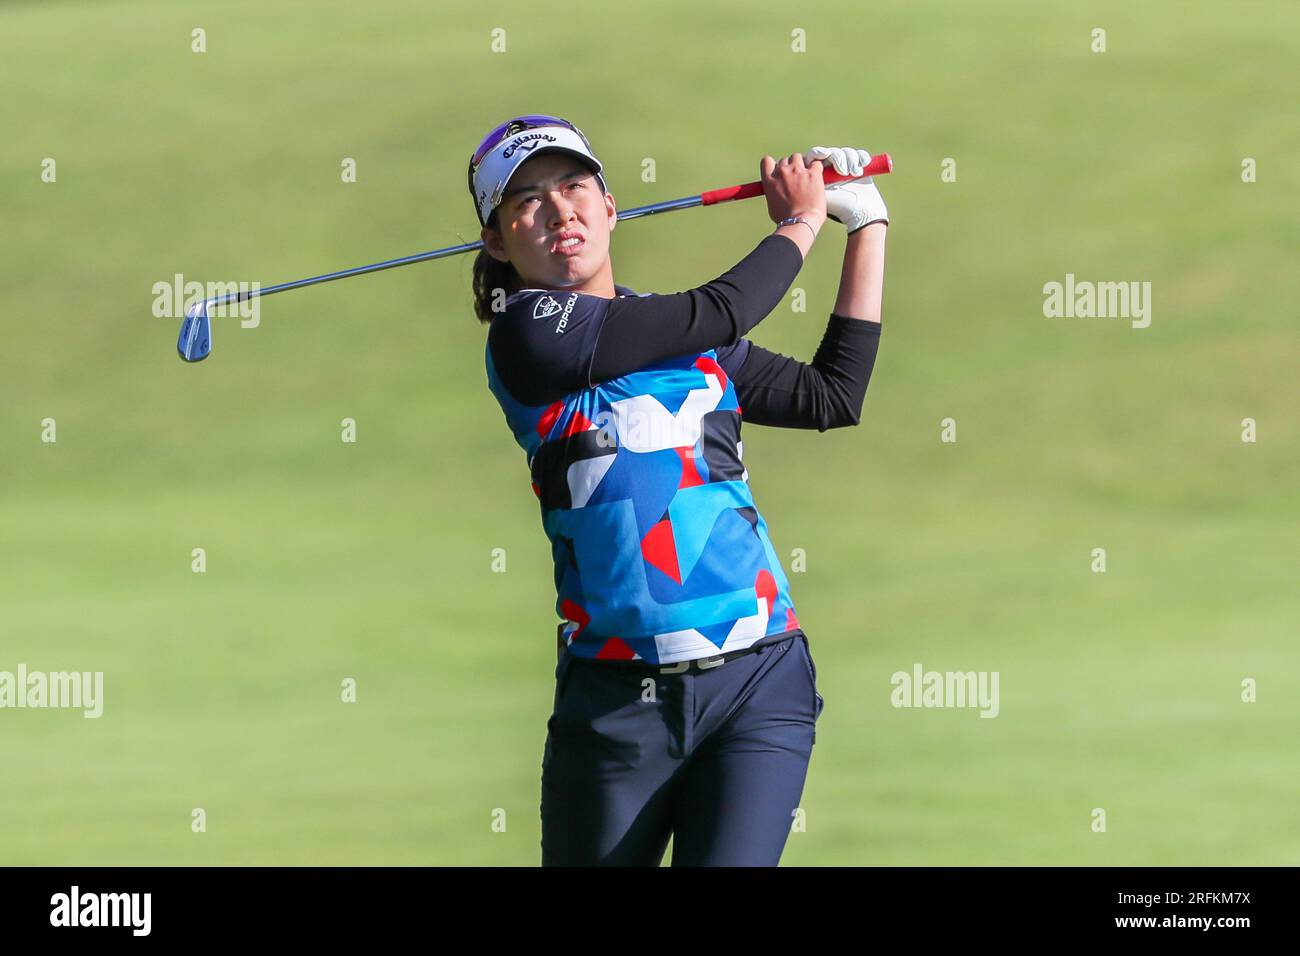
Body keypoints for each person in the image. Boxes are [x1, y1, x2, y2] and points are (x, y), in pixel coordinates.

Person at [468, 115, 887, 866]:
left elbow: (832, 397)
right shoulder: (527, 333)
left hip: (758, 682)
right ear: (498, 241)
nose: (560, 210)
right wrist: (799, 220)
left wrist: (867, 225)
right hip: (615, 709)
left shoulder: (685, 336)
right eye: (526, 200)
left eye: (574, 186)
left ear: (609, 206)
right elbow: (724, 307)